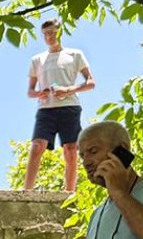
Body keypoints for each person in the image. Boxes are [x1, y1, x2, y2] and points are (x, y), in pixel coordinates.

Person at [24, 19, 95, 192]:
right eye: (46, 34)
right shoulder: (37, 60)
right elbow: (30, 91)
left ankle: (69, 193)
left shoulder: (75, 54)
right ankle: (26, 191)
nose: (49, 36)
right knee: (37, 146)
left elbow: (91, 82)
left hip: (69, 107)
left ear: (59, 32)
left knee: (70, 150)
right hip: (45, 109)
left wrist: (68, 89)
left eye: (52, 32)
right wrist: (39, 93)